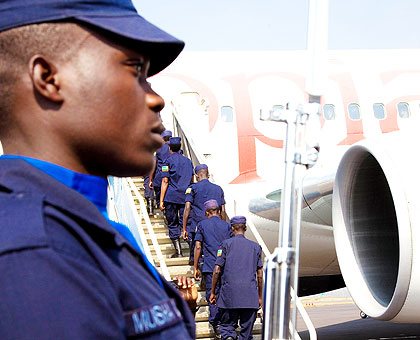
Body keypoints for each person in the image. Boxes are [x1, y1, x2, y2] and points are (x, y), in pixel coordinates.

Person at [0, 1, 196, 339]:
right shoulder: (38, 252)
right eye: (135, 71)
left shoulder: (92, 230)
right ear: (49, 78)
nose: (156, 99)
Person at [210, 216, 263, 340]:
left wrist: (213, 292)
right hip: (250, 297)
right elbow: (259, 275)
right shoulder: (256, 247)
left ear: (232, 228)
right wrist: (259, 297)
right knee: (246, 333)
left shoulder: (225, 244)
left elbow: (217, 270)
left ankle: (229, 337)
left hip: (229, 295)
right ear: (245, 228)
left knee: (227, 327)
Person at [194, 199, 232, 339]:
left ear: (207, 212)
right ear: (219, 211)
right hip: (225, 266)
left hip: (210, 266)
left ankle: (216, 325)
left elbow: (198, 246)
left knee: (212, 294)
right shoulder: (227, 226)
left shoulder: (202, 225)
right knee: (224, 294)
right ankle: (226, 324)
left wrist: (195, 266)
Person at [183, 163, 226, 265]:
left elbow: (187, 208)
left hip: (197, 225)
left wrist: (184, 228)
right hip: (216, 226)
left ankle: (198, 269)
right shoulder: (218, 189)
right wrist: (223, 225)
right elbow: (223, 210)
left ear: (197, 175)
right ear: (208, 175)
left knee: (198, 249)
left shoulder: (192, 188)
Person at [160, 136, 194, 258]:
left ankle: (178, 252)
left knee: (172, 223)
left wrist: (161, 200)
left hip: (171, 197)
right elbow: (191, 180)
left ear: (170, 148)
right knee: (187, 223)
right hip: (185, 198)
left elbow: (165, 181)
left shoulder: (167, 162)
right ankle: (191, 254)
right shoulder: (188, 162)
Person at [149, 129, 172, 209]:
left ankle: (162, 209)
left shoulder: (158, 149)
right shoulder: (175, 149)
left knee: (159, 199)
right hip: (172, 180)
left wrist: (150, 179)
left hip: (159, 178)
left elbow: (153, 165)